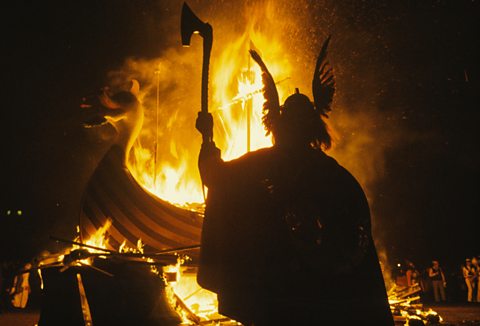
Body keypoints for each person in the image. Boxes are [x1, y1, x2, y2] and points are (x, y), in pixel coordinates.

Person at [196, 39, 393, 325]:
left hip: (275, 297)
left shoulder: (260, 165)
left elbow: (215, 176)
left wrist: (208, 139)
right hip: (321, 300)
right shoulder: (337, 177)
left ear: (277, 123)